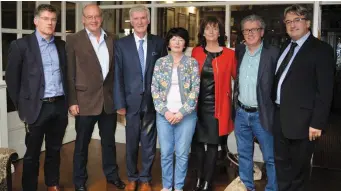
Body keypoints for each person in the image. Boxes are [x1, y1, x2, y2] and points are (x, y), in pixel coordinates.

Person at [6, 4, 67, 191]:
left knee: (55, 150)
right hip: (36, 108)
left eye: (53, 19)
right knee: (32, 154)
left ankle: (52, 183)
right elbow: (12, 79)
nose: (50, 23)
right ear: (36, 21)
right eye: (46, 19)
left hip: (58, 105)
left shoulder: (61, 45)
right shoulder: (21, 45)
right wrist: (23, 107)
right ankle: (29, 187)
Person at [273, 4, 334, 191]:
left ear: (307, 22)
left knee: (298, 172)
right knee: (281, 168)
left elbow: (325, 91)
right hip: (280, 118)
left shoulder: (321, 49)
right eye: (288, 21)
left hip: (304, 123)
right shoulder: (285, 46)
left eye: (297, 20)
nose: (292, 25)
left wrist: (317, 123)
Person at [66, 4, 125, 191]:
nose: (93, 20)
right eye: (89, 17)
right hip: (84, 102)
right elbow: (70, 73)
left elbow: (116, 72)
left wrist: (119, 100)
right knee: (82, 145)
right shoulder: (73, 39)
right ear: (83, 19)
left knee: (109, 142)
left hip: (108, 102)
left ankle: (112, 175)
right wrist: (72, 101)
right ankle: (79, 181)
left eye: (97, 16)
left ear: (101, 18)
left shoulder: (112, 39)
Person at [114, 5, 166, 191]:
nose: (140, 22)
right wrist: (119, 103)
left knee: (149, 143)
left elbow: (163, 74)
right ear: (131, 21)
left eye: (143, 18)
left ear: (149, 20)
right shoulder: (121, 44)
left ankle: (145, 178)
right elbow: (117, 75)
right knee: (131, 143)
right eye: (136, 18)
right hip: (130, 102)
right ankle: (132, 177)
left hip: (152, 102)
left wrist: (163, 101)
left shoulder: (158, 43)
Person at [233, 15, 279, 191]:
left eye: (254, 29)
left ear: (262, 32)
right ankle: (247, 187)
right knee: (244, 155)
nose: (250, 33)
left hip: (263, 114)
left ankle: (272, 188)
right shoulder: (240, 51)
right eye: (246, 30)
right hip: (241, 113)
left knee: (270, 157)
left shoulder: (273, 53)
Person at [191, 17, 237, 191]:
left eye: (214, 28)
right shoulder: (196, 52)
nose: (211, 31)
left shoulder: (230, 54)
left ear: (220, 32)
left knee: (212, 145)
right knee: (197, 145)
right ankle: (198, 178)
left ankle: (207, 182)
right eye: (207, 28)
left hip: (217, 108)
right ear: (202, 32)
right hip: (196, 107)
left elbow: (238, 79)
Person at [151, 27, 200, 191]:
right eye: (173, 39)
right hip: (164, 115)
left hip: (186, 116)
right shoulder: (160, 63)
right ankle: (167, 186)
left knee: (182, 154)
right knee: (165, 153)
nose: (177, 42)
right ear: (169, 43)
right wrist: (165, 112)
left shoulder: (192, 63)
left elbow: (195, 91)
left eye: (180, 39)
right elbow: (154, 90)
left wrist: (181, 113)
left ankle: (178, 187)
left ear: (185, 42)